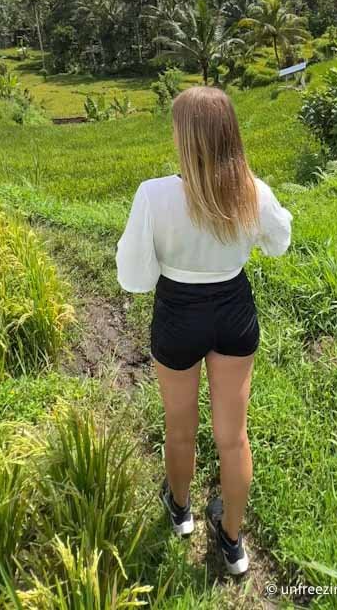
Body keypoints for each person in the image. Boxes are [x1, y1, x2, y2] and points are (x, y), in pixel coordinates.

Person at [116, 85, 292, 576]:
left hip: (177, 310)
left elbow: (133, 278)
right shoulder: (251, 190)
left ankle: (180, 513)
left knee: (180, 426)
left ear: (185, 137)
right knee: (233, 437)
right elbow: (280, 243)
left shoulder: (154, 194)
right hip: (233, 307)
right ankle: (233, 542)